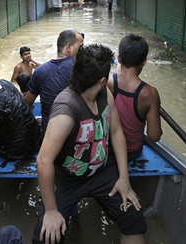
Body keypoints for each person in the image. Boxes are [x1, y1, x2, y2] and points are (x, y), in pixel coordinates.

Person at [33, 44, 146, 244]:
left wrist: (124, 178)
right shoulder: (66, 109)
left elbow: (117, 131)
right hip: (67, 178)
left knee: (133, 218)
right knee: (46, 238)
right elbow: (43, 161)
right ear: (102, 80)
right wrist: (51, 211)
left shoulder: (105, 95)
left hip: (102, 171)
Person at [107, 34, 162, 161]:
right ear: (144, 61)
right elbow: (154, 136)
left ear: (119, 59)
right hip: (132, 152)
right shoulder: (150, 94)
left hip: (108, 149)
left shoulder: (108, 83)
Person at [25, 30, 84, 135]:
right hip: (76, 134)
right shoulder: (80, 67)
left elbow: (26, 104)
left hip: (48, 134)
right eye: (81, 47)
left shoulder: (40, 71)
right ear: (69, 47)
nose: (83, 51)